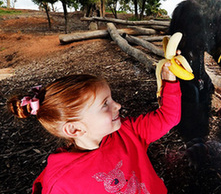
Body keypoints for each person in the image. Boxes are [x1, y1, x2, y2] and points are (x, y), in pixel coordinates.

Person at [7, 63, 181, 193]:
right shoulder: (60, 182)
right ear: (75, 130)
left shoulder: (129, 132)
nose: (118, 105)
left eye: (111, 99)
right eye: (105, 104)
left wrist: (169, 81)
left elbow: (168, 117)